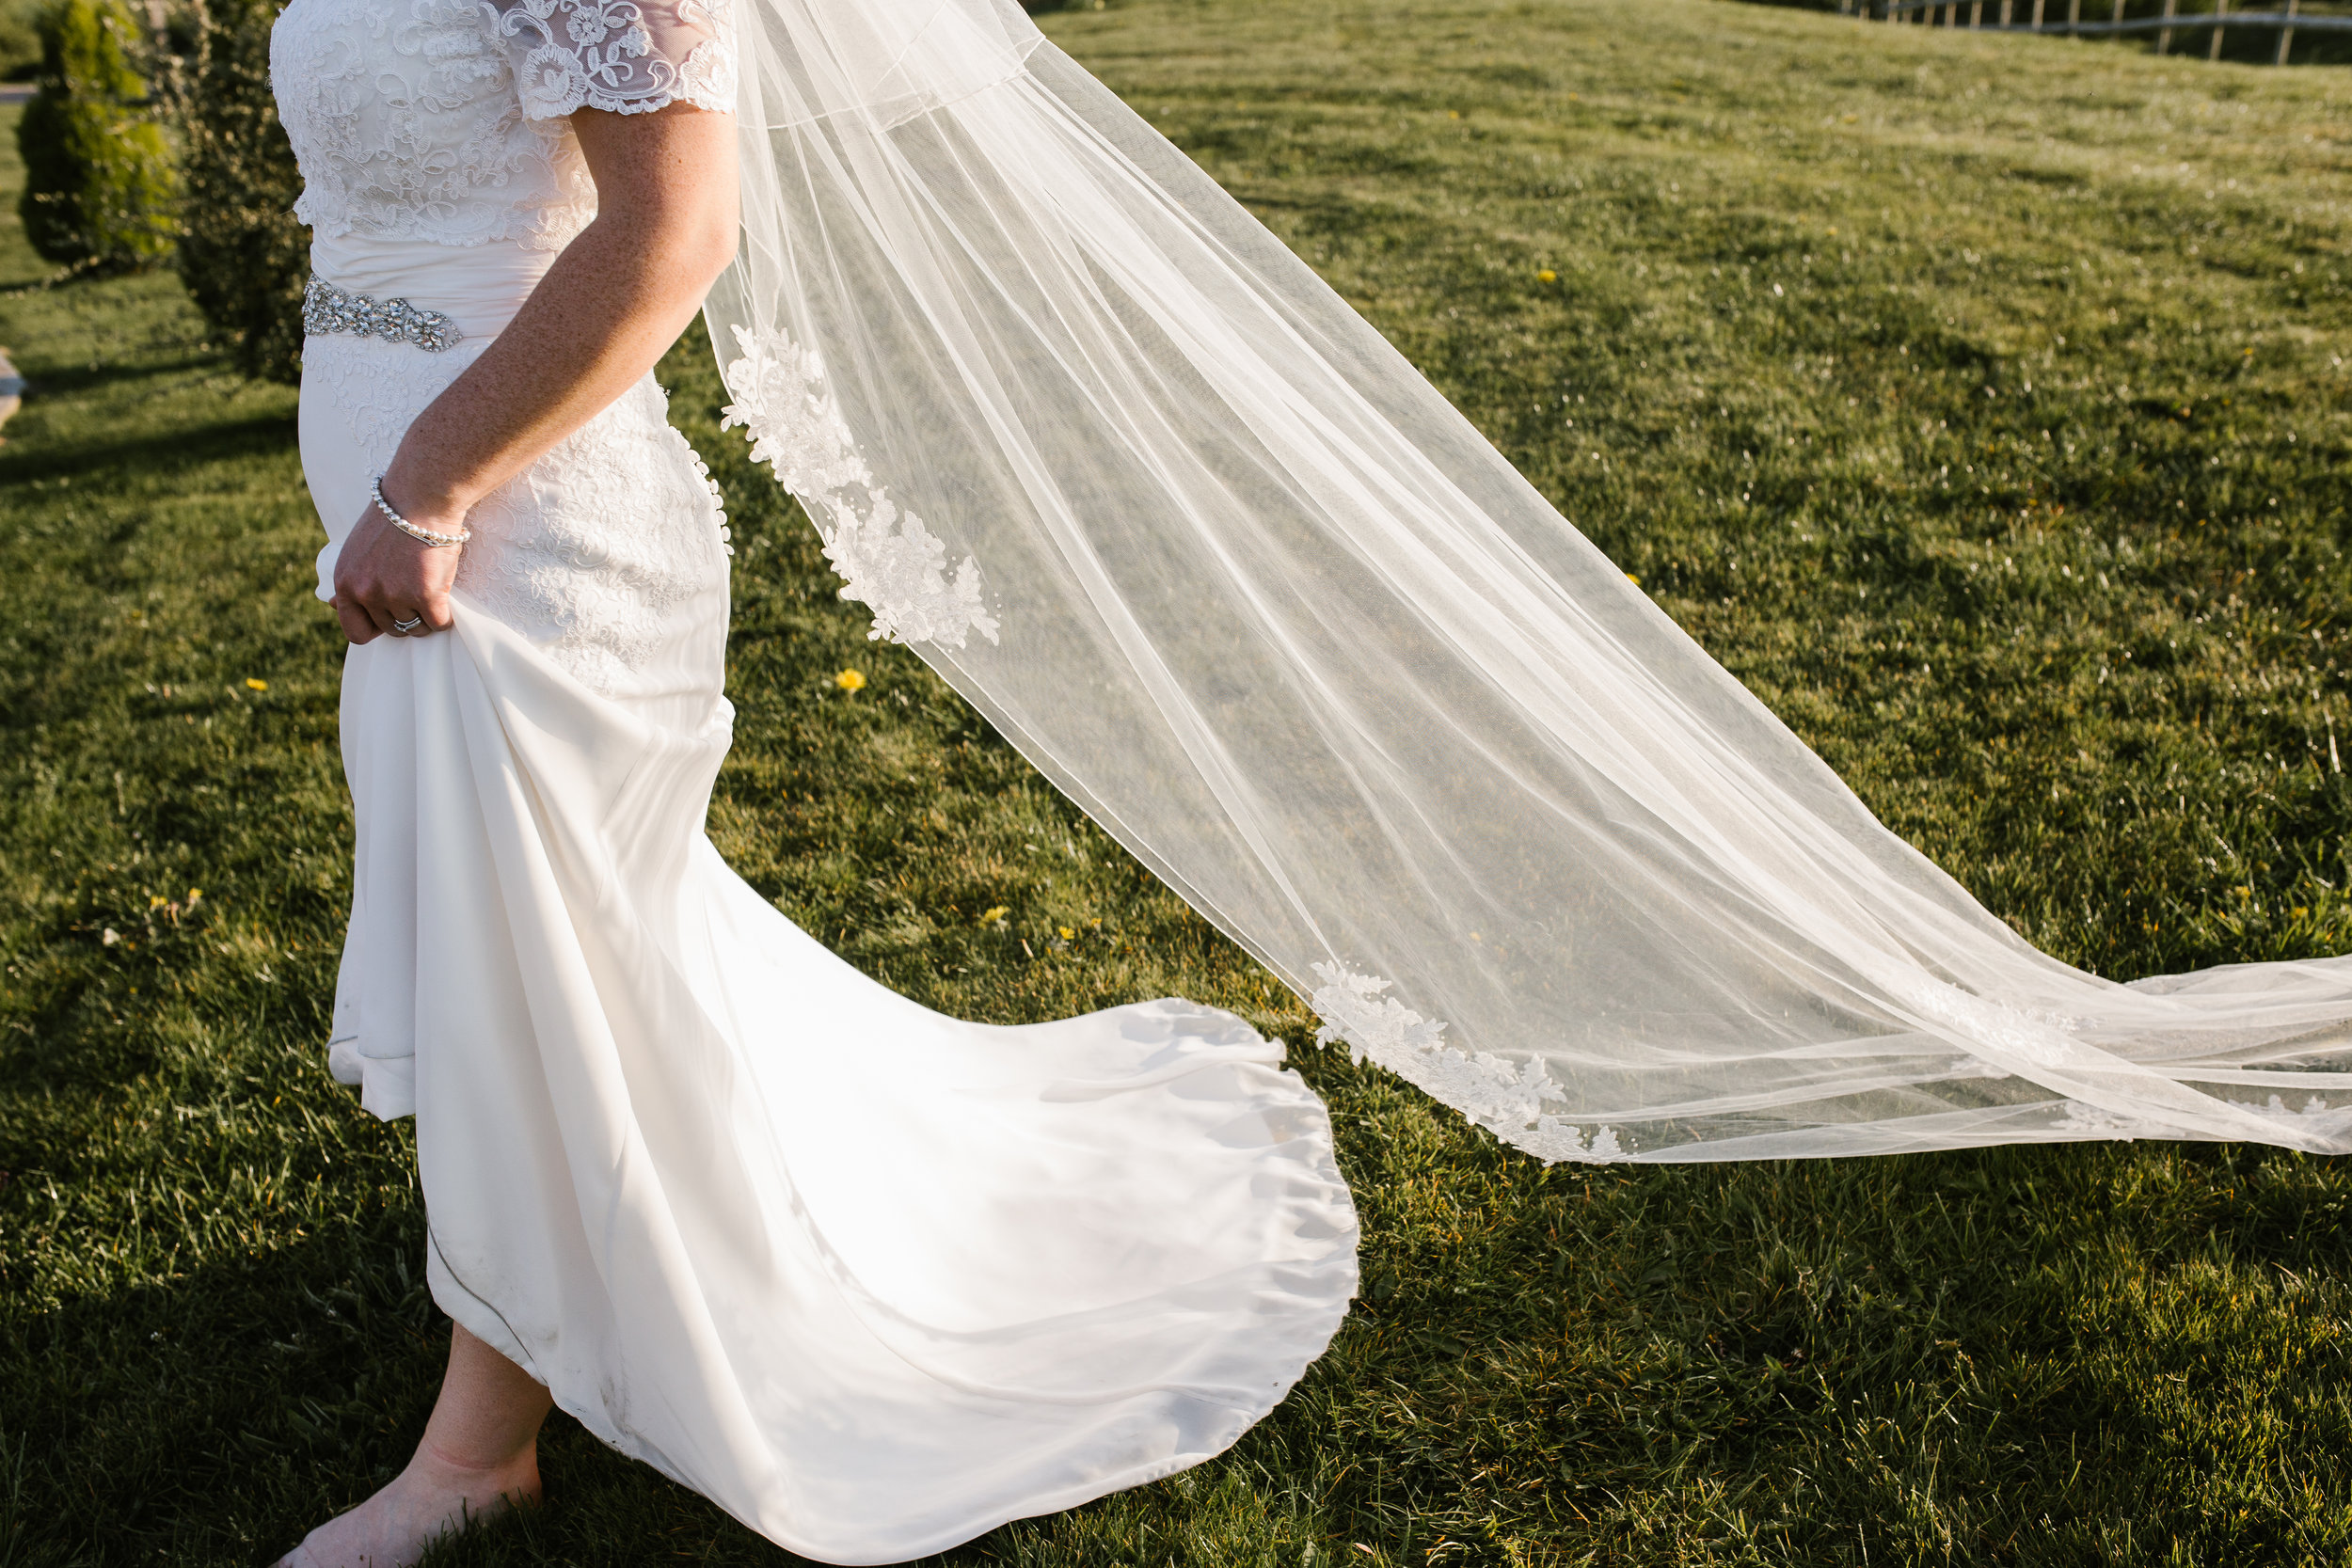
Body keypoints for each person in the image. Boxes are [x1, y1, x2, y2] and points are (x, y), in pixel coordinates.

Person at [271, 0, 2352, 1560]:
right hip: (418, 498)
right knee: (547, 947)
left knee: (534, 958)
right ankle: (559, 1327)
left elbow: (672, 233)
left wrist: (432, 485)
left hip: (509, 535)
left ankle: (482, 1452)